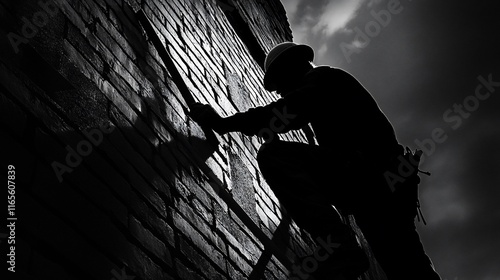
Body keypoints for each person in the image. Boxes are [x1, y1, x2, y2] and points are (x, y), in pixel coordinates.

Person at [190, 42, 441, 280]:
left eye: (280, 85)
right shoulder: (330, 90)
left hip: (371, 179)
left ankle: (339, 249)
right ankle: (344, 252)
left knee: (275, 156)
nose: (282, 92)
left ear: (292, 67)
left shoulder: (326, 80)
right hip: (379, 194)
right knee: (407, 267)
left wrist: (224, 123)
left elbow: (286, 112)